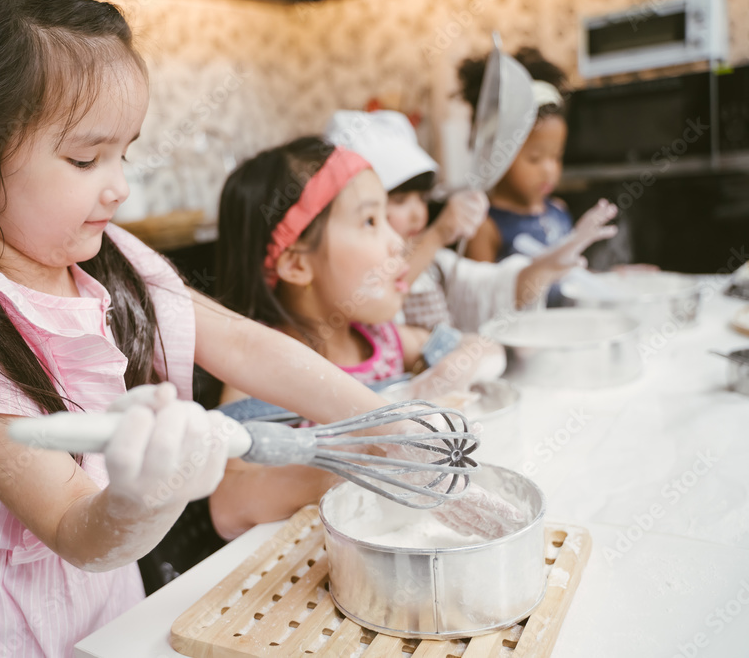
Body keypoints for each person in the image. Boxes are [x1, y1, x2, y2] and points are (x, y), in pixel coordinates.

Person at [0, 0, 463, 654]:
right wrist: (142, 497)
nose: (119, 185)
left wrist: (382, 422)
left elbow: (240, 341)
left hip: (111, 597)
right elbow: (74, 528)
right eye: (87, 159)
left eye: (125, 152)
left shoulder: (113, 256)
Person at [209, 137, 522, 537]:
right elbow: (227, 505)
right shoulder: (258, 373)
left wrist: (433, 384)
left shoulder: (385, 341)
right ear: (297, 265)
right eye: (371, 222)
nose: (398, 242)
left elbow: (484, 350)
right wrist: (360, 462)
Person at [326, 109, 619, 331]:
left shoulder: (436, 266)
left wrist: (547, 266)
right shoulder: (344, 287)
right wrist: (438, 233)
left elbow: (492, 290)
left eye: (423, 199)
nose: (418, 213)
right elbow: (378, 298)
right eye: (400, 201)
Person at [459, 48, 586, 265]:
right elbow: (479, 295)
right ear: (498, 153)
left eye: (556, 157)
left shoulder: (559, 211)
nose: (549, 170)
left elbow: (573, 275)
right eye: (535, 158)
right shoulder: (485, 227)